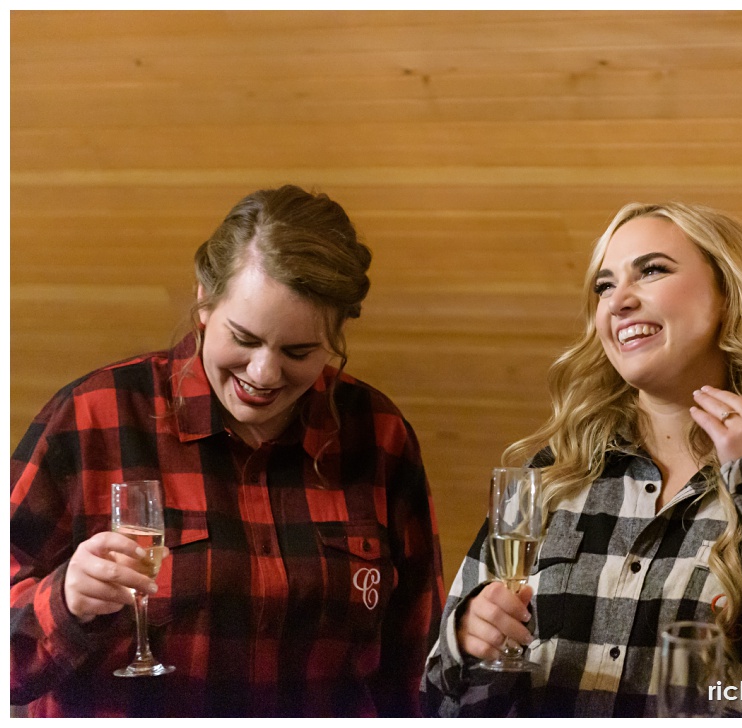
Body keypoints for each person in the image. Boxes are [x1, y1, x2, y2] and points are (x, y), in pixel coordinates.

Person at [421, 201, 742, 717]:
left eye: (651, 271)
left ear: (730, 294)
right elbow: (438, 695)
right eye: (604, 285)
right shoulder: (548, 476)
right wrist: (465, 640)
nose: (617, 301)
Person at [11, 185, 445, 717]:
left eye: (299, 351)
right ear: (203, 302)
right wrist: (65, 601)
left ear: (337, 335)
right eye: (244, 338)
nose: (264, 374)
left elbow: (416, 664)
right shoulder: (93, 417)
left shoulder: (378, 434)